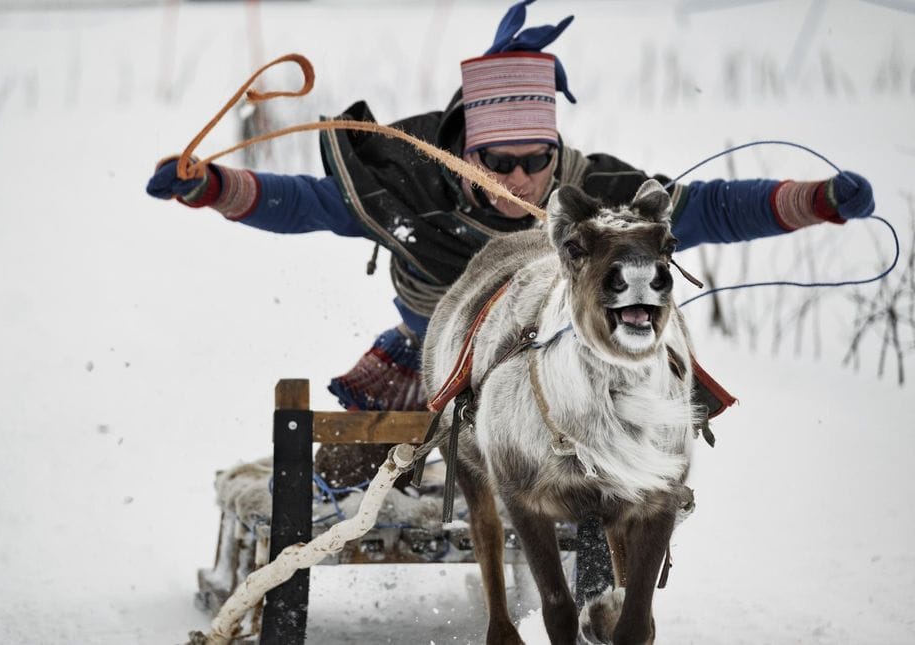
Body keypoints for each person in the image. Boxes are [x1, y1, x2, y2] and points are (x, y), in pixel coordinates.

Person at [147, 0, 874, 594]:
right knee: (347, 477)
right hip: (430, 362)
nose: (520, 179)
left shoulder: (594, 197)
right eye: (499, 162)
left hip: (561, 374)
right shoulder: (409, 181)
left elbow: (709, 209)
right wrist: (212, 186)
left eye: (536, 161)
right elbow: (306, 201)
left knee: (604, 466)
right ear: (467, 150)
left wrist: (816, 200)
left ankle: (601, 573)